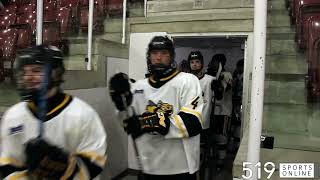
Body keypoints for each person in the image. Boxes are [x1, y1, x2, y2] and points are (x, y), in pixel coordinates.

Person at [0, 45, 107, 180]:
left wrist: (66, 169)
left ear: (56, 74)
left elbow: (95, 162)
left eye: (36, 70)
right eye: (25, 72)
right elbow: (8, 165)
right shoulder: (13, 116)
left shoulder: (83, 114)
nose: (28, 77)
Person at [109, 36, 203, 180]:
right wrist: (120, 101)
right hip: (149, 167)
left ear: (171, 56)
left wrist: (145, 122)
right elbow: (127, 122)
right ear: (149, 56)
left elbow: (192, 123)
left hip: (180, 168)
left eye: (164, 53)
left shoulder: (188, 81)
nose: (159, 57)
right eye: (154, 53)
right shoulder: (138, 86)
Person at [207, 53, 233, 168]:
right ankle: (213, 156)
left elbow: (222, 93)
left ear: (220, 63)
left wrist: (218, 83)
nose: (212, 64)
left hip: (224, 111)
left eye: (214, 62)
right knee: (212, 134)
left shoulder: (226, 75)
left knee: (222, 136)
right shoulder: (211, 76)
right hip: (212, 111)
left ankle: (221, 161)